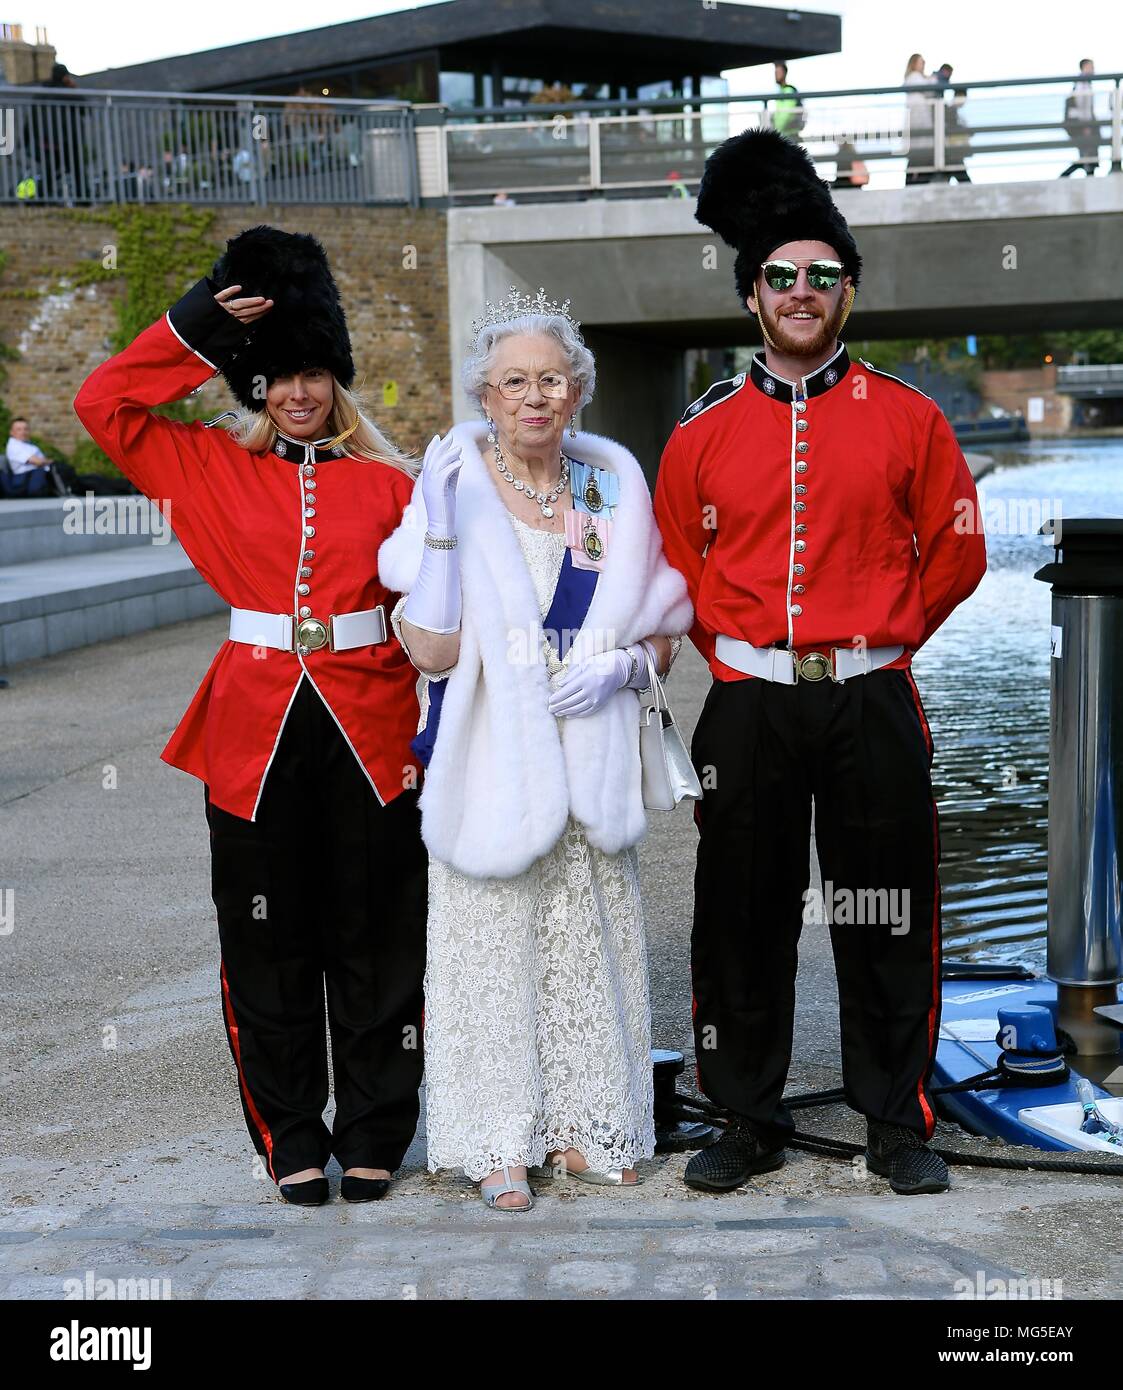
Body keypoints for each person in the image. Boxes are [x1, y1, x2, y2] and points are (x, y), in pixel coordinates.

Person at [654, 130, 987, 1197]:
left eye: (823, 276)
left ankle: (893, 1118)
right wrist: (744, 653)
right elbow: (675, 567)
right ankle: (744, 1116)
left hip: (872, 700)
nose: (803, 292)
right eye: (782, 276)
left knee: (884, 909)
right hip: (748, 703)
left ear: (847, 291)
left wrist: (880, 642)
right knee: (739, 915)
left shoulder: (911, 416)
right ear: (751, 294)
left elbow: (959, 551)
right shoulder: (697, 436)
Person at [73, 227, 428, 1208]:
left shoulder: (399, 485)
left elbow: (443, 610)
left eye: (313, 371)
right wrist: (194, 324)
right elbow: (101, 402)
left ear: (337, 380)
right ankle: (290, 1132)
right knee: (266, 938)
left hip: (373, 721)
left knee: (379, 935)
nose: (298, 392)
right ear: (253, 387)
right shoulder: (203, 468)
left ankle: (372, 1127)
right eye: (275, 375)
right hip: (256, 728)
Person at [378, 287, 692, 1211]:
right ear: (484, 394)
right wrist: (433, 528)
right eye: (514, 380)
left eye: (551, 379)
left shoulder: (609, 489)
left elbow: (664, 627)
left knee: (586, 946)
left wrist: (625, 670)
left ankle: (584, 1129)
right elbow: (429, 651)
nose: (534, 397)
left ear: (577, 391)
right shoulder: (452, 487)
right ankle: (497, 1142)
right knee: (491, 954)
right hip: (490, 760)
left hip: (587, 750)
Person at [1060, 58, 1099, 177]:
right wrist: (1086, 125)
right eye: (1091, 67)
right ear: (1084, 67)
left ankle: (1068, 175)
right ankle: (1066, 175)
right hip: (1082, 125)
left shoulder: (1082, 83)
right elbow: (1083, 107)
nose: (1093, 70)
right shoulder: (1083, 84)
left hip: (1081, 124)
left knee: (1086, 154)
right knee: (1087, 154)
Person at [903, 53, 935, 185]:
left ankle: (915, 180)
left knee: (919, 153)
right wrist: (933, 79)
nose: (923, 65)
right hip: (919, 119)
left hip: (920, 119)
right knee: (920, 152)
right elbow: (929, 90)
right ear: (914, 63)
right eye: (921, 62)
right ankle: (915, 180)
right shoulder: (914, 77)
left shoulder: (916, 78)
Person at [771, 61, 805, 140]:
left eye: (778, 72)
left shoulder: (788, 90)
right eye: (775, 73)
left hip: (789, 133)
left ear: (784, 73)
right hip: (786, 133)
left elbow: (786, 113)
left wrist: (777, 131)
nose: (776, 75)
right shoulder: (783, 91)